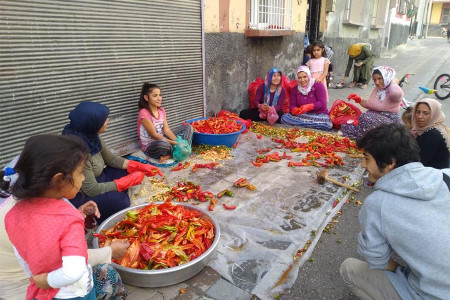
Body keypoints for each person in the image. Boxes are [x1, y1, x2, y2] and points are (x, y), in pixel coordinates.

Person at [3, 134, 129, 300]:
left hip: (39, 290)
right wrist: (46, 280)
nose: (83, 178)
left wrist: (38, 278)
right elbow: (74, 270)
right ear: (59, 180)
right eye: (80, 173)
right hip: (73, 292)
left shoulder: (13, 212)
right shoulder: (68, 220)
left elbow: (25, 251)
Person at [340, 123, 450, 300]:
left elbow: (377, 260)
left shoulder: (377, 204)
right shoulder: (445, 175)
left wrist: (400, 270)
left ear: (390, 163)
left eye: (367, 158)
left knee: (348, 268)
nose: (362, 164)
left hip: (431, 295)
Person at [1, 193, 129, 300]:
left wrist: (76, 214)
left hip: (30, 281)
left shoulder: (16, 207)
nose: (82, 177)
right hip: (31, 290)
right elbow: (74, 263)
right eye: (78, 173)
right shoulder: (36, 216)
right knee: (108, 274)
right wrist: (110, 251)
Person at [63, 101, 162, 222]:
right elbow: (91, 189)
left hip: (99, 176)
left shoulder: (92, 135)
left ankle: (117, 190)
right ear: (92, 124)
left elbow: (111, 159)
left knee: (128, 172)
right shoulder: (77, 151)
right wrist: (122, 183)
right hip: (82, 192)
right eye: (104, 119)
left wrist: (138, 165)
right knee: (120, 202)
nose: (108, 120)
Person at [341, 65, 403, 141]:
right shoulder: (378, 89)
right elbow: (371, 105)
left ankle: (364, 140)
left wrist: (393, 81)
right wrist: (359, 99)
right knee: (348, 123)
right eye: (375, 79)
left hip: (391, 123)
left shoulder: (393, 90)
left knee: (366, 118)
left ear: (387, 77)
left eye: (380, 79)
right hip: (376, 119)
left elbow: (395, 93)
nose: (377, 82)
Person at [138, 83, 194, 162]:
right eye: (155, 96)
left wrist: (179, 141)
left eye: (160, 95)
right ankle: (176, 152)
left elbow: (166, 130)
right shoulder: (144, 113)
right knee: (163, 145)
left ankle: (171, 153)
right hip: (151, 146)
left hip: (164, 138)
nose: (159, 98)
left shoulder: (161, 110)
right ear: (146, 98)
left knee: (188, 128)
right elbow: (154, 135)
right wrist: (176, 144)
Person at [281, 66, 332, 130]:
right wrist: (295, 110)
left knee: (327, 123)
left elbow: (322, 103)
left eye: (305, 77)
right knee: (284, 118)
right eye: (299, 78)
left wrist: (309, 106)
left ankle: (302, 124)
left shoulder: (318, 85)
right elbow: (292, 106)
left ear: (309, 76)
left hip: (319, 115)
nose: (302, 80)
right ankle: (311, 125)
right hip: (303, 115)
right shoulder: (295, 89)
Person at [411, 98, 450, 169]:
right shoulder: (433, 127)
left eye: (426, 113)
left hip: (434, 176)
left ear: (434, 114)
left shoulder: (432, 135)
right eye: (418, 112)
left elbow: (419, 162)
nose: (420, 117)